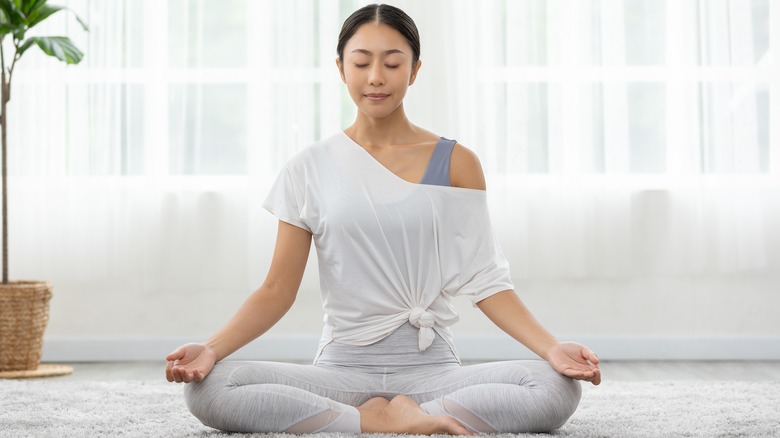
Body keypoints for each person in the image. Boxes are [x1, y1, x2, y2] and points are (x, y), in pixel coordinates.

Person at [165, 3, 600, 435]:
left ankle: (390, 416)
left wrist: (552, 348)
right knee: (213, 387)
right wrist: (210, 348)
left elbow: (486, 281)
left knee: (552, 386)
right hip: (341, 372)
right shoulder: (309, 167)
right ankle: (374, 419)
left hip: (432, 373)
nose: (376, 77)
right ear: (341, 68)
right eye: (361, 62)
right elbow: (277, 289)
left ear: (414, 70)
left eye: (393, 63)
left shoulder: (455, 163)